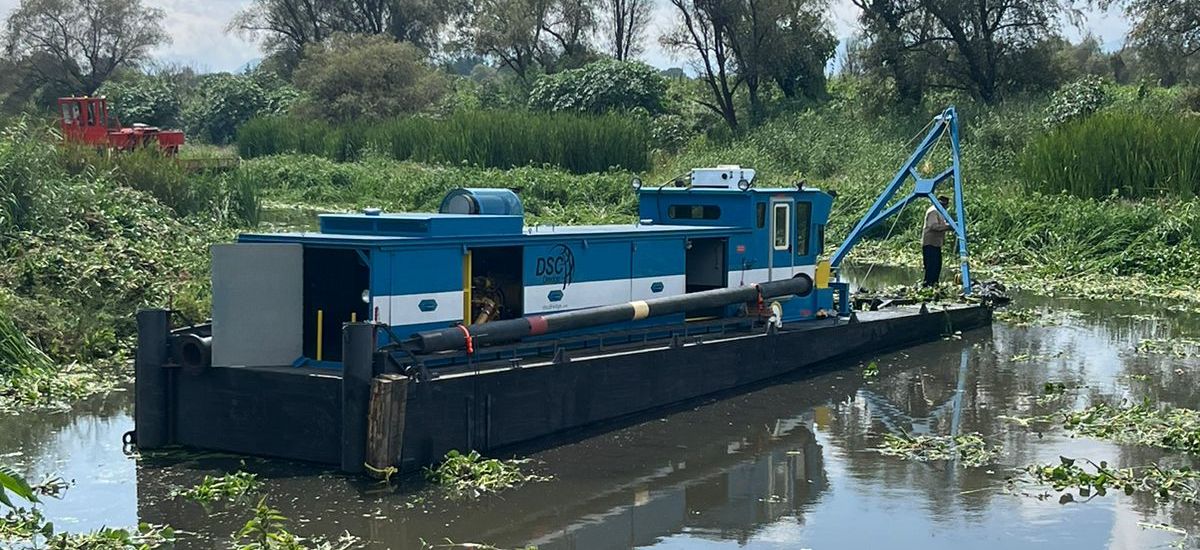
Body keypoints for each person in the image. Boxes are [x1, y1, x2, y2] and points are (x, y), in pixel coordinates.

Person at [922, 195, 953, 287]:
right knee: (931, 266)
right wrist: (949, 227)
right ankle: (928, 284)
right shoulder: (933, 211)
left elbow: (941, 224)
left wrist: (951, 225)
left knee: (937, 265)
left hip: (936, 243)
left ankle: (934, 284)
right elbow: (934, 226)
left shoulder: (940, 212)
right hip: (930, 243)